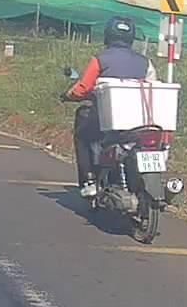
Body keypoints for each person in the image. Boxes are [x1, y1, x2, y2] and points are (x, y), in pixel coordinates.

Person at [62, 16, 158, 198]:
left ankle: (89, 180)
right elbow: (152, 87)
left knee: (83, 133)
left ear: (108, 35)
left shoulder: (100, 60)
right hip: (140, 120)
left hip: (107, 120)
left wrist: (68, 95)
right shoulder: (146, 62)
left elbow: (83, 88)